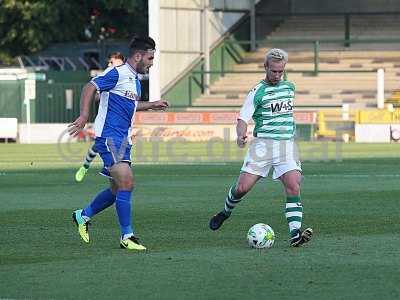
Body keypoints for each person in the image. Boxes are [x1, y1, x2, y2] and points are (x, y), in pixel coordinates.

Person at [68, 36, 169, 251]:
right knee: (127, 182)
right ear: (139, 55)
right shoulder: (118, 72)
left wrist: (152, 105)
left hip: (123, 139)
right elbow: (90, 87)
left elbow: (129, 105)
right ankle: (127, 236)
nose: (152, 62)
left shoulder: (135, 81)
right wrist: (84, 115)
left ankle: (82, 216)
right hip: (109, 137)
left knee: (116, 190)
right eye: (150, 58)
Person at [208, 48, 313, 247]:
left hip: (286, 146)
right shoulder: (257, 92)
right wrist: (240, 134)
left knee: (293, 184)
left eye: (280, 71)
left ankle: (295, 235)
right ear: (265, 67)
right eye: (273, 71)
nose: (277, 75)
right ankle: (224, 212)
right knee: (241, 188)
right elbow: (242, 118)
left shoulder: (290, 87)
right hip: (262, 147)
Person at [75, 52, 126, 182]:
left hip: (121, 122)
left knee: (114, 147)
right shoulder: (109, 73)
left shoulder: (128, 76)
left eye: (111, 61)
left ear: (120, 61)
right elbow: (92, 90)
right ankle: (86, 167)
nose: (109, 64)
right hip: (106, 120)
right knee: (100, 145)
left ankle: (114, 175)